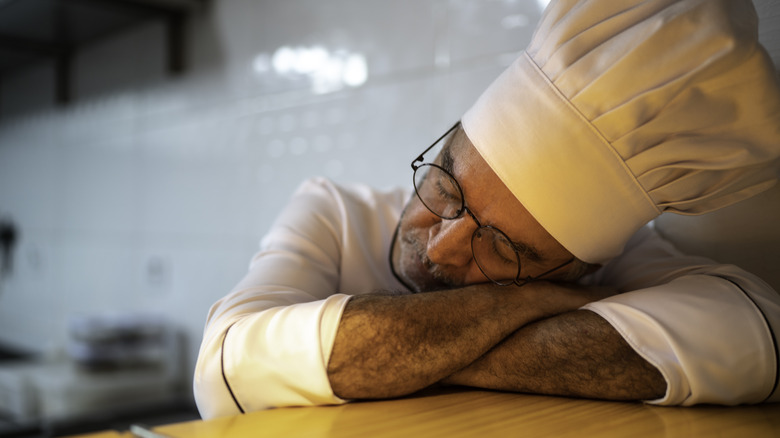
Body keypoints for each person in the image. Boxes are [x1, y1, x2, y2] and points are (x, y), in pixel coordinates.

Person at [194, 0, 780, 419]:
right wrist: (531, 302)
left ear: (579, 269)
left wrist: (393, 356)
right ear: (444, 146)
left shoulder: (611, 258)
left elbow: (756, 336)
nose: (442, 245)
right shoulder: (333, 211)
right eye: (448, 191)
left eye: (502, 248)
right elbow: (225, 365)